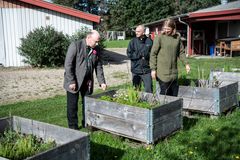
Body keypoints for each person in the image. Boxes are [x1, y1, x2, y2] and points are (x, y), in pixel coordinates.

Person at [64, 30, 107, 130]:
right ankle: (73, 128)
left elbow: (98, 66)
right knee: (72, 106)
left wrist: (102, 82)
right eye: (96, 41)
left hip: (87, 81)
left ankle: (87, 124)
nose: (97, 44)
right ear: (88, 38)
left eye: (98, 42)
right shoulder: (75, 46)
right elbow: (68, 64)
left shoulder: (96, 49)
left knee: (87, 103)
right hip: (74, 81)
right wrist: (71, 81)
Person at [150, 18, 190, 96]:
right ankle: (162, 108)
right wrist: (153, 69)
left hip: (173, 73)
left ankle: (173, 108)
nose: (166, 31)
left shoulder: (177, 37)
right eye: (164, 28)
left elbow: (181, 52)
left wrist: (186, 64)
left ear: (173, 28)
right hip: (162, 72)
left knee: (174, 94)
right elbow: (153, 54)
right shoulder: (159, 37)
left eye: (168, 29)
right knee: (165, 94)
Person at [127, 25, 153, 93]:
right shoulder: (132, 42)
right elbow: (129, 54)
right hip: (136, 70)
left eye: (138, 31)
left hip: (146, 70)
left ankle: (149, 103)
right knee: (136, 91)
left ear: (143, 32)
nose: (136, 33)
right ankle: (137, 103)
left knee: (149, 90)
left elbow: (153, 54)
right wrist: (140, 55)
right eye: (136, 31)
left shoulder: (149, 41)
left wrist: (146, 55)